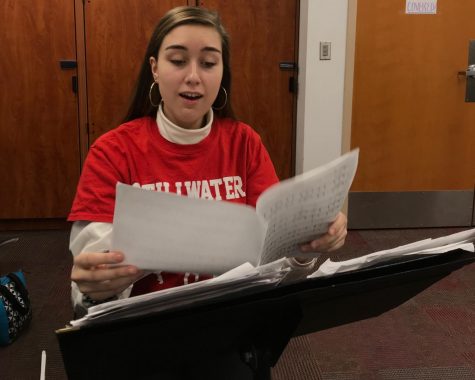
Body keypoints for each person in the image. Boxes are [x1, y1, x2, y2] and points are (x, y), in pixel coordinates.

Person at [68, 3, 347, 349]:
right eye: (178, 60)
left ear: (222, 72)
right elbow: (88, 291)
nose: (194, 76)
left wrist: (308, 248)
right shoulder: (112, 151)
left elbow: (278, 267)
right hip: (143, 332)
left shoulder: (245, 143)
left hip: (231, 325)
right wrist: (97, 285)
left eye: (209, 62)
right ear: (154, 68)